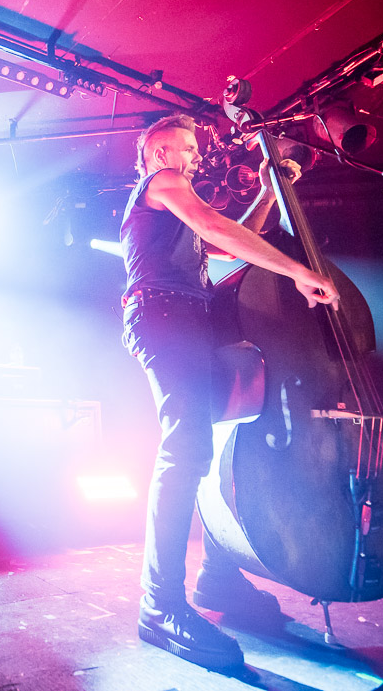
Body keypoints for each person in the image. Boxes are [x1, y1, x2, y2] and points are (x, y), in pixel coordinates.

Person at [120, 114, 339, 672]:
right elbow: (213, 225)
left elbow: (223, 245)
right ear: (160, 153)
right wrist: (296, 270)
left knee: (209, 447)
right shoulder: (161, 182)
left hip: (193, 319)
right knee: (185, 449)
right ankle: (158, 604)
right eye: (188, 148)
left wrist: (267, 192)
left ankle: (218, 577)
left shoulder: (177, 204)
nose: (196, 158)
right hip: (164, 316)